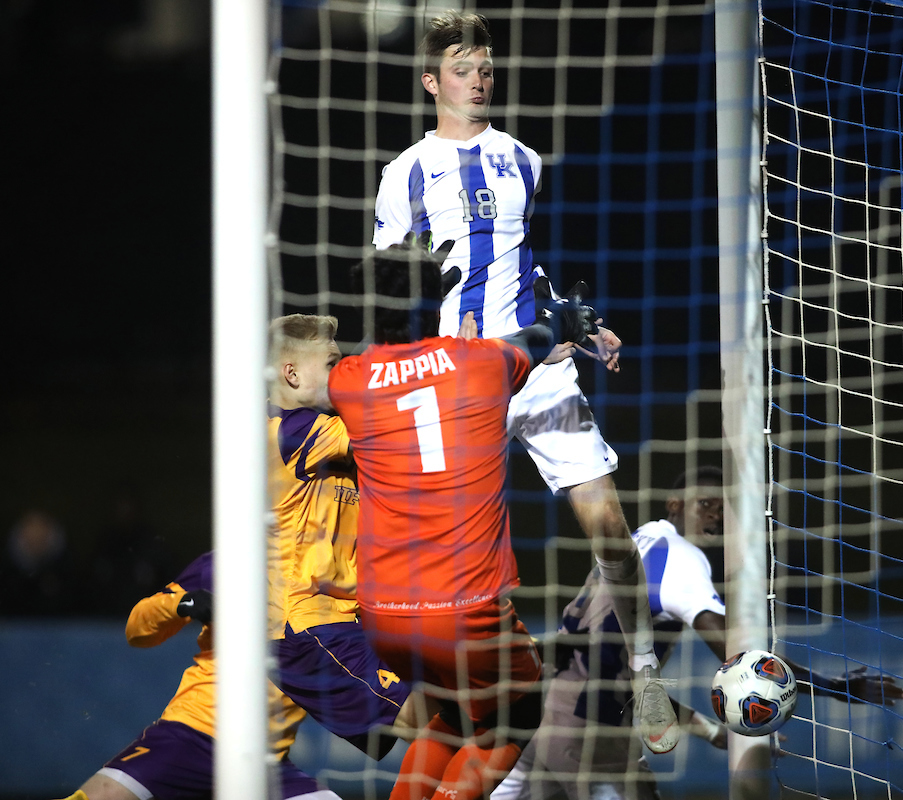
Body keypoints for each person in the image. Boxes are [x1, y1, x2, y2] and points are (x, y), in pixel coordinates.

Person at [371, 9, 677, 755]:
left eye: (485, 68)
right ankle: (422, 694)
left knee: (609, 526)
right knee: (446, 552)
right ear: (431, 81)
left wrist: (582, 319)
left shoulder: (524, 159)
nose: (479, 80)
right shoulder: (405, 172)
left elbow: (527, 264)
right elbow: (378, 282)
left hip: (539, 369)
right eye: (463, 70)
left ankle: (642, 675)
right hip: (460, 383)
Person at [327, 232, 601, 800]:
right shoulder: (481, 362)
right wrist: (570, 316)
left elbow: (387, 357)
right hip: (463, 608)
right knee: (522, 705)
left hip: (382, 614)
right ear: (435, 303)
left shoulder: (348, 382)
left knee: (454, 712)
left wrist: (409, 301)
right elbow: (544, 333)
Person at [491, 466, 903, 800]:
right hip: (587, 731)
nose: (715, 515)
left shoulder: (642, 542)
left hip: (543, 716)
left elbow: (630, 685)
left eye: (721, 509)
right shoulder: (682, 558)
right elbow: (746, 663)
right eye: (705, 504)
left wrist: (710, 733)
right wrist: (837, 687)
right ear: (675, 504)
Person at [58, 551, 340, 800]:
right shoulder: (226, 564)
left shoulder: (340, 580)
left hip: (265, 759)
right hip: (192, 734)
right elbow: (136, 630)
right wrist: (183, 603)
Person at [267, 313, 424, 760]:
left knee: (446, 719)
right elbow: (394, 410)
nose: (346, 369)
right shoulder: (292, 431)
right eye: (333, 363)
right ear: (291, 374)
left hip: (348, 617)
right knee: (438, 718)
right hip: (307, 624)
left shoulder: (318, 435)